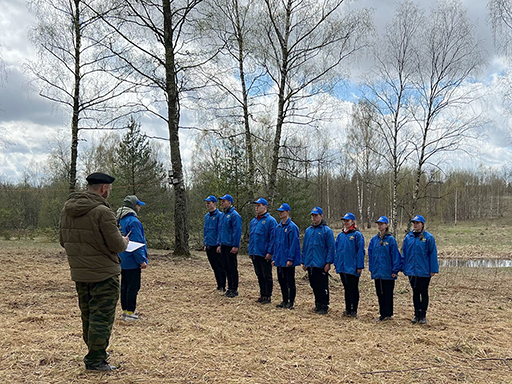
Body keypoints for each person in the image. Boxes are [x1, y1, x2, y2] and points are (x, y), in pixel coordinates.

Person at [59, 172, 129, 371]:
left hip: (80, 273)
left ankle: (95, 351)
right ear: (104, 188)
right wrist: (124, 242)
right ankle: (96, 360)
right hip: (104, 274)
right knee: (102, 317)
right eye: (109, 189)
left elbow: (63, 241)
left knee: (88, 315)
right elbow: (116, 245)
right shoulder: (103, 212)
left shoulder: (67, 209)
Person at [117, 195, 148, 321]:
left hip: (121, 258)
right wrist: (141, 260)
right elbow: (137, 243)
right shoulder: (134, 221)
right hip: (132, 260)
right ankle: (130, 312)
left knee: (124, 285)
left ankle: (125, 311)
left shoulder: (119, 220)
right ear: (133, 206)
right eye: (138, 204)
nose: (139, 207)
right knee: (133, 286)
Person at [402, 215, 439, 324]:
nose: (415, 225)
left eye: (417, 223)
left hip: (424, 270)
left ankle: (423, 314)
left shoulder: (428, 237)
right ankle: (416, 314)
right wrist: (404, 266)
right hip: (412, 270)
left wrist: (433, 269)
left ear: (422, 224)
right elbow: (405, 253)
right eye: (414, 223)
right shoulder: (408, 237)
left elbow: (432, 254)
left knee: (423, 292)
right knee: (415, 292)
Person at [368, 216, 402, 321]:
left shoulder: (391, 240)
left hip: (388, 272)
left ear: (386, 225)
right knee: (380, 293)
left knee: (388, 293)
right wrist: (372, 269)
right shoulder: (374, 240)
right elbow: (370, 254)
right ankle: (382, 313)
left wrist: (395, 270)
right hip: (377, 272)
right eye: (378, 224)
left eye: (382, 224)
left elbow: (395, 255)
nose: (380, 226)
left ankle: (388, 314)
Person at [301, 207, 335, 315]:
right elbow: (305, 247)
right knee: (313, 284)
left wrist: (328, 262)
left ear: (321, 216)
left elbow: (331, 247)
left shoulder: (327, 231)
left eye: (316, 215)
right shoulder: (308, 230)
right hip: (310, 263)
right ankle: (317, 304)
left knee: (322, 285)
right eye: (313, 215)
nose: (314, 218)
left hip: (321, 264)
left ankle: (324, 305)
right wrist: (304, 261)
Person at [334, 212, 365, 318]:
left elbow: (360, 251)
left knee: (353, 288)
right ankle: (347, 309)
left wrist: (359, 266)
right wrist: (337, 263)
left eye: (348, 220)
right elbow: (337, 250)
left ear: (352, 222)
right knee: (346, 288)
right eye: (345, 221)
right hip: (342, 266)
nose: (346, 222)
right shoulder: (340, 235)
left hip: (353, 266)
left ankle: (354, 310)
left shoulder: (357, 235)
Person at [271, 203, 301, 309]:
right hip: (279, 259)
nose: (280, 213)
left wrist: (290, 258)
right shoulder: (278, 227)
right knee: (281, 280)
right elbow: (276, 243)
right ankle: (284, 300)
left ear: (287, 212)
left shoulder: (292, 227)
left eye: (282, 211)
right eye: (279, 211)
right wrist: (274, 258)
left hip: (287, 260)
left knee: (290, 281)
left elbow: (293, 245)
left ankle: (290, 301)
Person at [248, 198, 277, 304]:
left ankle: (267, 295)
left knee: (266, 275)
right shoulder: (254, 221)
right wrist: (250, 251)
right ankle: (262, 294)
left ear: (265, 207)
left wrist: (270, 252)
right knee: (259, 274)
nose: (256, 208)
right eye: (255, 206)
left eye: (259, 206)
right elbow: (252, 237)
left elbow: (272, 238)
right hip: (255, 252)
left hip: (264, 253)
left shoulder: (270, 221)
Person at [216, 194, 242, 298]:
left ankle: (234, 289)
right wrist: (219, 244)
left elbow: (237, 231)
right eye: (221, 201)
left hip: (231, 245)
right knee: (226, 267)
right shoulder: (222, 215)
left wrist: (235, 245)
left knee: (232, 267)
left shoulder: (234, 215)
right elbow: (220, 230)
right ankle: (229, 287)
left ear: (229, 203)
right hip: (224, 244)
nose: (222, 203)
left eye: (224, 201)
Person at [203, 195, 226, 293]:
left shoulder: (220, 215)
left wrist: (219, 244)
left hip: (216, 246)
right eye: (207, 203)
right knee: (214, 266)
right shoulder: (207, 216)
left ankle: (223, 285)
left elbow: (220, 231)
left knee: (219, 266)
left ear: (214, 204)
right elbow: (206, 230)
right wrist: (205, 243)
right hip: (209, 244)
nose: (207, 205)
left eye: (209, 203)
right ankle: (218, 285)